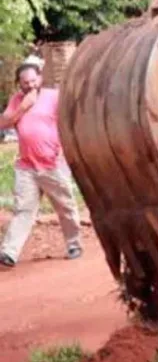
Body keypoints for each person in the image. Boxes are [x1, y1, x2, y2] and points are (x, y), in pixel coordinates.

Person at [0, 62, 83, 268]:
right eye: (25, 82)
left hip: (52, 162)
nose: (30, 85)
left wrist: (63, 150)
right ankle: (10, 252)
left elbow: (69, 121)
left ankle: (74, 244)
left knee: (65, 205)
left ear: (40, 78)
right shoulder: (17, 100)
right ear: (19, 83)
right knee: (23, 209)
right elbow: (4, 123)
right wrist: (23, 106)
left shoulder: (54, 97)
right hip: (27, 166)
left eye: (33, 80)